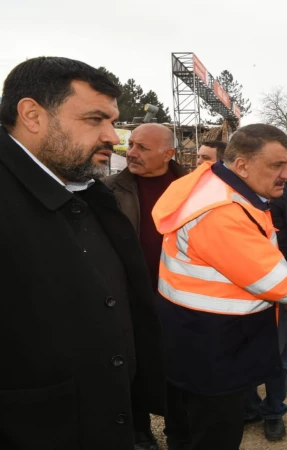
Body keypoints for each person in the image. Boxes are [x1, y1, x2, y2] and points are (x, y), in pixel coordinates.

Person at [151, 123, 287, 450]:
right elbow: (280, 284)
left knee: (187, 431)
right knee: (213, 437)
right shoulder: (222, 211)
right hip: (212, 350)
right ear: (241, 165)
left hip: (191, 338)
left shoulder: (218, 188)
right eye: (276, 165)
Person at [0, 56, 165, 450]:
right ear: (32, 115)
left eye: (112, 121)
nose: (114, 137)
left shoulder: (87, 189)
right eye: (95, 120)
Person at [103, 123, 189, 450]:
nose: (131, 153)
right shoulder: (110, 190)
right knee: (134, 365)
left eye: (143, 148)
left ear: (169, 154)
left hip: (181, 297)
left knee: (178, 367)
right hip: (131, 297)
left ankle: (178, 431)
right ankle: (140, 433)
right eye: (131, 145)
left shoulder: (193, 188)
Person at [242, 179, 287, 441]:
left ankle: (273, 412)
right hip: (237, 282)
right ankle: (249, 406)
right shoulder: (226, 188)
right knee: (240, 348)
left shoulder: (286, 187)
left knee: (276, 351)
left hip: (276, 283)